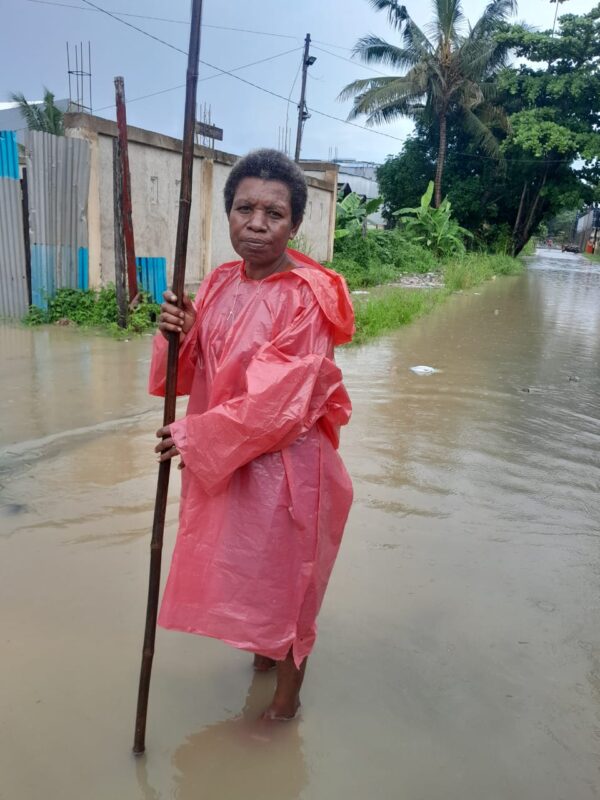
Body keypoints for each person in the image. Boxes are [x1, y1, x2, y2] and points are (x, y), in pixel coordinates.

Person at [149, 149, 354, 720]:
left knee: (288, 587)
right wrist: (181, 333)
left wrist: (196, 437)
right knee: (249, 573)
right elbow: (202, 370)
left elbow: (281, 402)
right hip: (230, 456)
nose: (257, 223)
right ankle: (262, 662)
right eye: (244, 208)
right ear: (228, 212)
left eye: (274, 212)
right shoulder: (218, 282)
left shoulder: (307, 296)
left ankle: (284, 709)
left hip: (286, 468)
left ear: (295, 223)